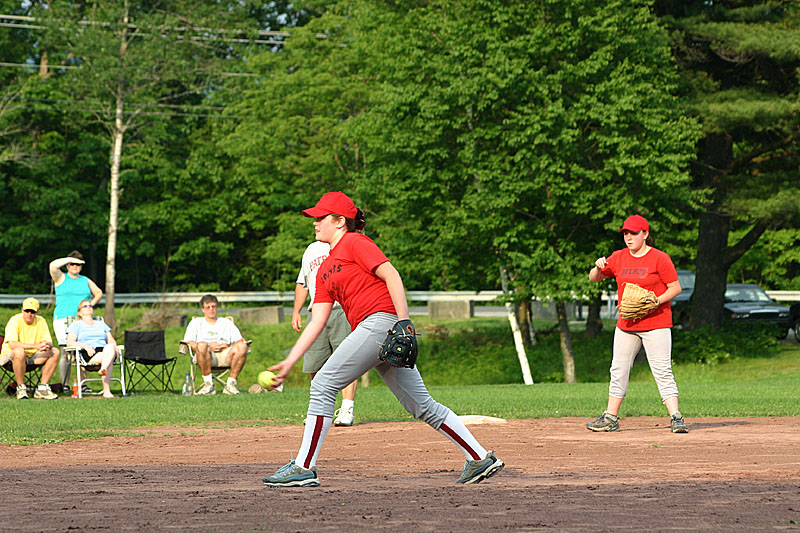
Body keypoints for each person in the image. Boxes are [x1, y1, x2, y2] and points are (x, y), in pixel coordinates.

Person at [263, 191, 504, 487]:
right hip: (372, 331)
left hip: (381, 323)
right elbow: (318, 321)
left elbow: (392, 275)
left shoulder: (355, 242)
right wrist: (290, 361)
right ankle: (479, 457)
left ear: (340, 222)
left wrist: (404, 322)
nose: (314, 222)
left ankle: (303, 466)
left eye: (320, 217)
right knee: (421, 405)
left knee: (323, 384)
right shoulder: (325, 268)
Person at [586, 214, 688, 433]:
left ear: (645, 234)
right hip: (627, 324)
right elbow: (594, 278)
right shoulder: (618, 257)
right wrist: (597, 266)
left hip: (656, 322)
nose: (629, 237)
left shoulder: (660, 258)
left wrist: (655, 302)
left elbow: (675, 288)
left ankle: (676, 417)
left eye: (633, 233)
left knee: (662, 370)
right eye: (625, 233)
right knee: (619, 369)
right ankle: (610, 418)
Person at [292, 239, 359, 427]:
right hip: (316, 312)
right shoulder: (311, 250)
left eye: (320, 219)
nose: (316, 224)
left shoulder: (346, 243)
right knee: (315, 364)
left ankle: (346, 409)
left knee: (347, 362)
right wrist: (296, 311)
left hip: (341, 309)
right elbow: (302, 283)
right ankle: (319, 411)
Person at [49, 251, 103, 387]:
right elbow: (53, 266)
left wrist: (89, 306)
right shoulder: (61, 277)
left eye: (78, 264)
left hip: (80, 320)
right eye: (72, 264)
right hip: (63, 319)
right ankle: (65, 384)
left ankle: (82, 384)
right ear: (67, 265)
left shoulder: (85, 280)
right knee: (66, 352)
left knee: (81, 352)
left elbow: (98, 292)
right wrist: (69, 258)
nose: (75, 266)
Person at [183, 294, 248, 395]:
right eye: (208, 307)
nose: (211, 309)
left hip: (226, 354)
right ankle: (208, 384)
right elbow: (189, 342)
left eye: (213, 306)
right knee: (202, 345)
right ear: (203, 309)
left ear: (217, 308)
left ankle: (231, 384)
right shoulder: (196, 323)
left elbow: (240, 340)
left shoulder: (226, 323)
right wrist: (207, 347)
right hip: (206, 355)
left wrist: (229, 346)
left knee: (243, 346)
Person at [0, 298, 60, 400]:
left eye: (32, 311)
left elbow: (49, 341)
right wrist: (36, 346)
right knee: (20, 352)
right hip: (10, 358)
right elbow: (13, 344)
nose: (29, 314)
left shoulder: (41, 321)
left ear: (37, 312)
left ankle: (42, 388)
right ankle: (21, 387)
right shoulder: (14, 321)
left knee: (55, 351)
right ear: (22, 310)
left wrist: (47, 345)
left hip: (32, 357)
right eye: (27, 311)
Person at [66, 300, 120, 398]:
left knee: (110, 348)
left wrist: (115, 347)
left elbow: (111, 340)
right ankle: (106, 391)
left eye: (90, 305)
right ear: (79, 312)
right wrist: (84, 346)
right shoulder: (76, 325)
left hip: (104, 350)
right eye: (85, 306)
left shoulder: (101, 324)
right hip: (88, 353)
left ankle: (103, 368)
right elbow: (69, 343)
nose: (89, 307)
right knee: (109, 357)